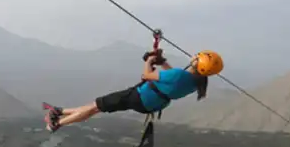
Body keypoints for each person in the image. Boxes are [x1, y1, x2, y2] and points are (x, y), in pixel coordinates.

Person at [44, 49, 224, 132]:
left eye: (197, 57)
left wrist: (148, 61)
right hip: (150, 103)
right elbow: (170, 76)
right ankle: (59, 111)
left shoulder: (179, 75)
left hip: (139, 96)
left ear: (198, 63)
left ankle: (57, 123)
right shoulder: (196, 83)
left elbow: (147, 76)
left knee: (95, 107)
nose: (194, 56)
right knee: (97, 107)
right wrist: (160, 62)